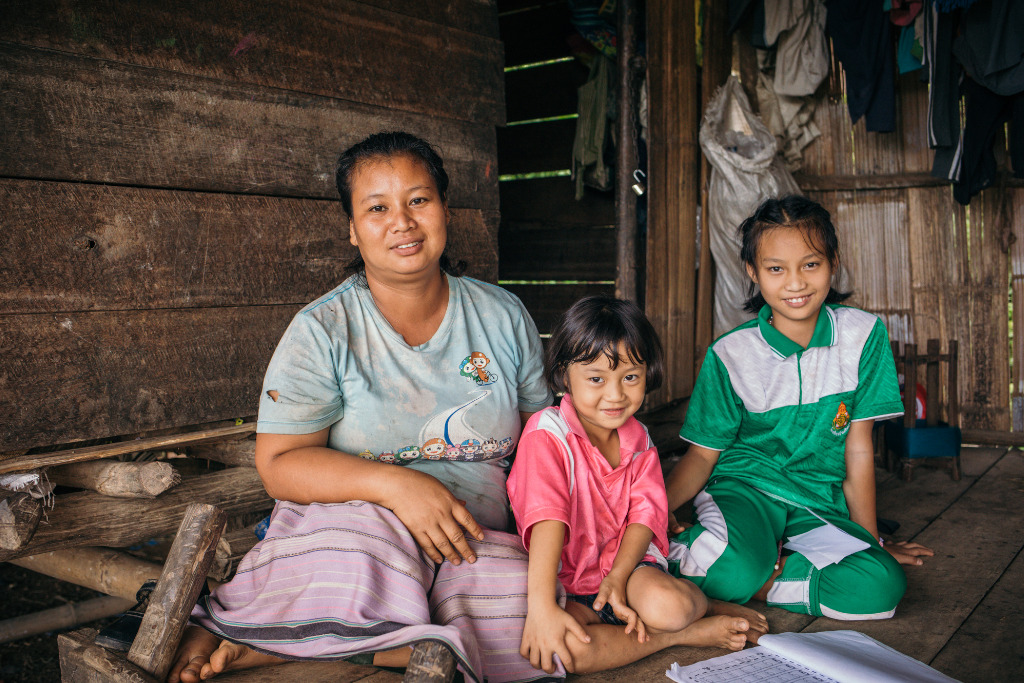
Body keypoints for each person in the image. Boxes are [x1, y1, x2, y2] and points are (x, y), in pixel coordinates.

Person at [168, 131, 561, 683]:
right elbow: (279, 464)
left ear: (445, 209)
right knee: (366, 556)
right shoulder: (323, 330)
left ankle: (293, 642)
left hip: (472, 541)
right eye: (377, 208)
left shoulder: (502, 316)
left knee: (538, 612)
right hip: (359, 531)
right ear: (353, 230)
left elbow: (542, 437)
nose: (401, 221)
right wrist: (400, 488)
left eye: (418, 200)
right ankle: (339, 639)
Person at [665, 195, 934, 622]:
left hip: (816, 501)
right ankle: (735, 565)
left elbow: (858, 449)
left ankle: (758, 581)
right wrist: (652, 514)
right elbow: (702, 455)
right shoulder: (730, 354)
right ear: (753, 273)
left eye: (811, 264)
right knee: (735, 560)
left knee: (881, 586)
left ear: (833, 262)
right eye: (776, 269)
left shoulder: (863, 335)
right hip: (744, 489)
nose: (795, 283)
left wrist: (870, 542)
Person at [507, 297, 767, 676]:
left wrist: (617, 578)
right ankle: (679, 637)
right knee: (563, 651)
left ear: (648, 373)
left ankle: (701, 606)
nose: (615, 395)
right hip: (565, 578)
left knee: (670, 608)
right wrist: (543, 607)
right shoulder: (547, 434)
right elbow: (548, 519)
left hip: (628, 569)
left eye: (630, 377)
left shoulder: (639, 437)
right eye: (596, 379)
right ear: (564, 375)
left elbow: (645, 516)